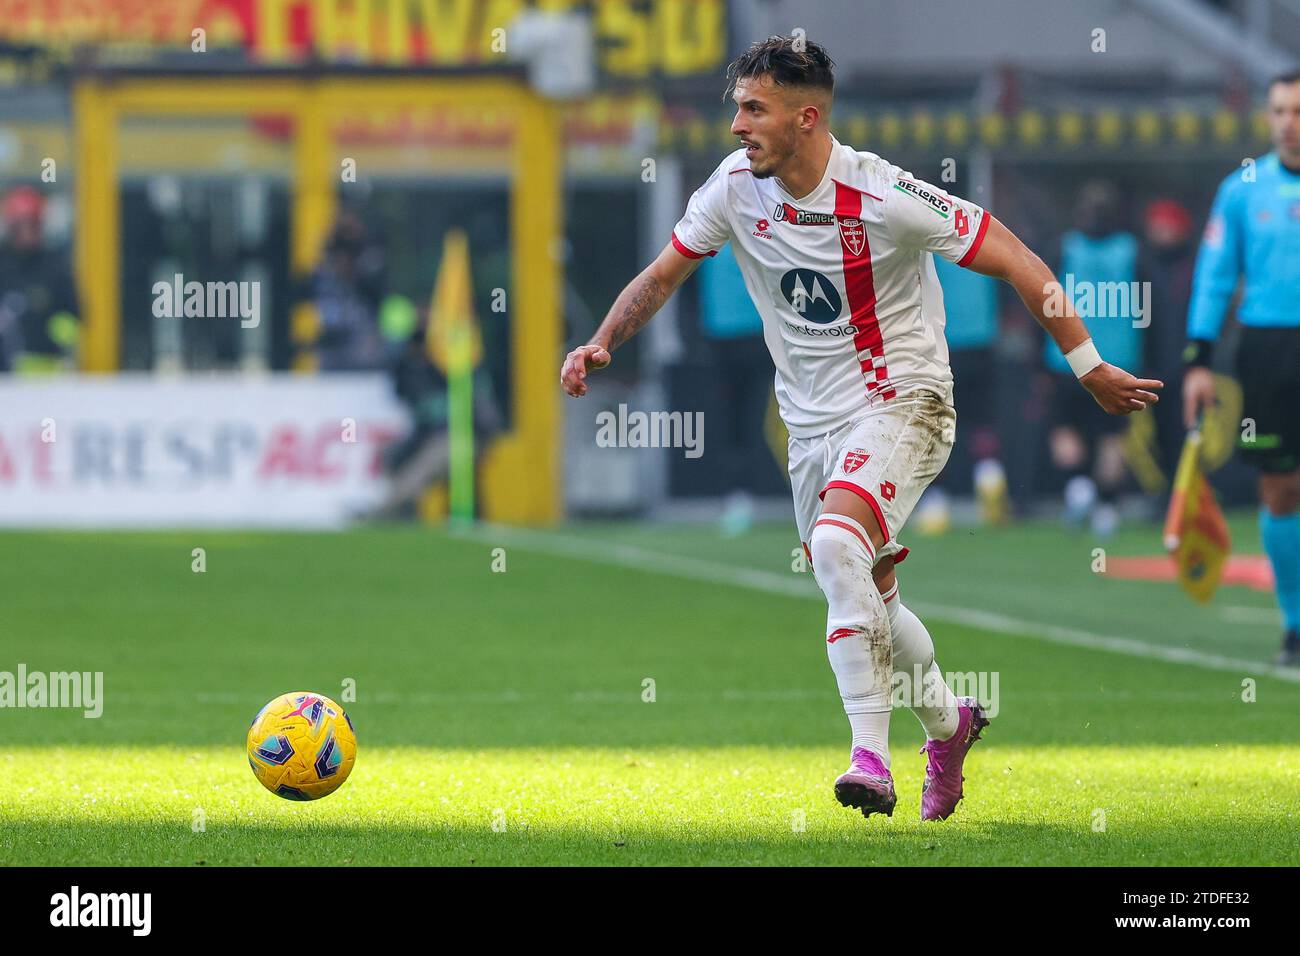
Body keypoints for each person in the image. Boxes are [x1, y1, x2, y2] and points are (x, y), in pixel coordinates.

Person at [561, 36, 1159, 821]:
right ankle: (950, 725)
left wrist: (1088, 367)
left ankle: (868, 759)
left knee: (840, 548)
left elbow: (1017, 257)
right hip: (810, 428)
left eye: (753, 109)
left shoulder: (885, 195)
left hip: (905, 402)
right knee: (867, 589)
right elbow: (664, 272)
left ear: (805, 118)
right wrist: (604, 339)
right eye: (736, 108)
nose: (737, 126)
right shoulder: (735, 187)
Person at [1184, 70, 1300, 667]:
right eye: (1279, 110)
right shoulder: (1242, 189)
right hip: (1268, 351)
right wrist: (1198, 359)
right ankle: (1294, 625)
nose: (1288, 122)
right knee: (1281, 489)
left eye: (1298, 110)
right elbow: (1214, 278)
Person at [1043, 181, 1142, 536]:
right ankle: (1106, 506)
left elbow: (1042, 298)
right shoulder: (1130, 250)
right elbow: (1145, 307)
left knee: (1065, 428)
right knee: (1111, 436)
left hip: (1068, 357)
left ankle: (1079, 488)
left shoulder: (1065, 247)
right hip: (1117, 357)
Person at [0, 186, 79, 374]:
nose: (26, 232)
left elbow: (75, 313)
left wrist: (53, 333)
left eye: (32, 224)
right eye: (20, 225)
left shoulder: (55, 266)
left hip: (45, 370)